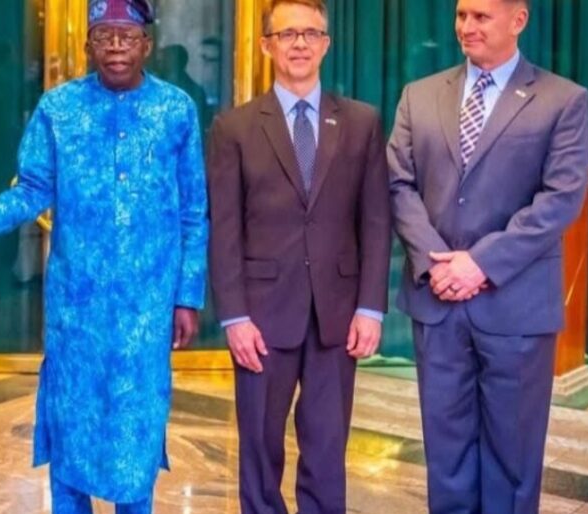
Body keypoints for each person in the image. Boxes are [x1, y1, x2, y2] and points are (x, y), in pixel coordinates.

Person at [0, 0, 207, 510]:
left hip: (146, 310)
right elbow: (32, 188)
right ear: (88, 45)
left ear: (147, 45)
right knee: (72, 427)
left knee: (135, 433)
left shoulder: (176, 110)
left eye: (127, 37)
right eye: (104, 36)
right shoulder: (59, 109)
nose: (116, 47)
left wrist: (187, 296)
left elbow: (194, 211)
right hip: (76, 310)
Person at [388, 0, 588, 511]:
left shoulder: (563, 100)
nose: (466, 26)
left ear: (518, 20)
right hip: (437, 300)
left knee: (512, 456)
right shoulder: (418, 95)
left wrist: (480, 263)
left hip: (515, 306)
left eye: (481, 17)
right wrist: (437, 261)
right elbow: (397, 184)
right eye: (462, 15)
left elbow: (560, 199)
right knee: (446, 453)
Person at [206, 1, 391, 512]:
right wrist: (234, 316)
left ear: (327, 44)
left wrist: (371, 308)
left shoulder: (361, 122)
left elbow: (376, 222)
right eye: (287, 34)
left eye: (311, 33)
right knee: (259, 449)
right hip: (261, 317)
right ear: (267, 45)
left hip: (339, 314)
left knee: (328, 449)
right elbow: (224, 229)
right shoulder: (234, 128)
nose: (300, 44)